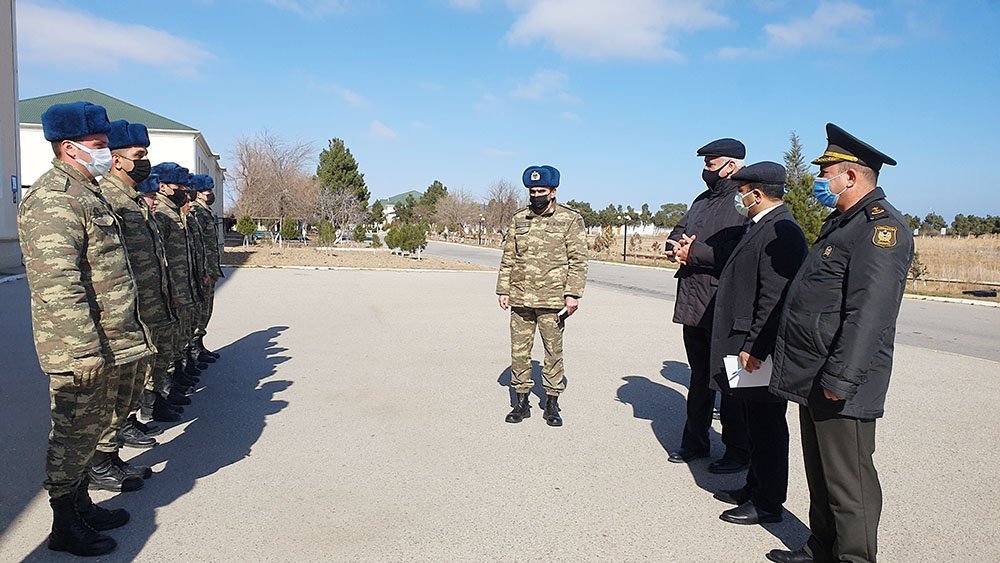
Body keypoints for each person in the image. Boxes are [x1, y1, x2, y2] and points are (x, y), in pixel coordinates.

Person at [765, 124, 913, 563]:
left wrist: (841, 378)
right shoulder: (843, 223)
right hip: (816, 372)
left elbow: (870, 316)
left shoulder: (879, 230)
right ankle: (821, 549)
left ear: (851, 176)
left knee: (851, 484)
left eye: (826, 172)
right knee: (822, 473)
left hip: (840, 380)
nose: (820, 181)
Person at [18, 101, 154, 556]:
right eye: (97, 146)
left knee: (91, 428)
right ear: (69, 147)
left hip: (110, 339)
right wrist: (82, 350)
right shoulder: (55, 198)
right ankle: (63, 524)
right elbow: (57, 284)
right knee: (72, 433)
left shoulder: (88, 192)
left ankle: (80, 504)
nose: (105, 154)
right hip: (81, 347)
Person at [707, 162, 807, 526]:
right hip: (747, 345)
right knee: (754, 422)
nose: (738, 196)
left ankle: (768, 503)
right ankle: (754, 486)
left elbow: (777, 299)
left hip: (758, 348)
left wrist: (756, 346)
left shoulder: (782, 231)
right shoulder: (759, 225)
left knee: (768, 428)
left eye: (741, 190)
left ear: (757, 193)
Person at [665, 138, 752, 474]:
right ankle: (695, 442)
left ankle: (737, 450)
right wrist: (674, 246)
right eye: (704, 164)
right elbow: (678, 231)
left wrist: (694, 253)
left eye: (711, 164)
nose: (706, 170)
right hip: (693, 302)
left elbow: (741, 253)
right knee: (699, 378)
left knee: (728, 382)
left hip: (722, 303)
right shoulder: (701, 201)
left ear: (731, 166)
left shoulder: (742, 202)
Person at [99, 121, 177, 473]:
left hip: (145, 306)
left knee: (131, 384)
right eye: (139, 156)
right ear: (117, 160)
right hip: (124, 314)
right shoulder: (109, 200)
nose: (144, 162)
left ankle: (110, 453)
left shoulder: (132, 200)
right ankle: (102, 461)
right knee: (114, 393)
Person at [496, 165, 588, 426]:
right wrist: (503, 289)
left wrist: (573, 294)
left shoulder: (570, 219)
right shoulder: (519, 218)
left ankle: (551, 403)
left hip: (553, 300)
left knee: (553, 352)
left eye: (541, 191)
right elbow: (509, 256)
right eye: (532, 190)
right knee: (519, 351)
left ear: (553, 191)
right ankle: (521, 402)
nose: (535, 195)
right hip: (521, 297)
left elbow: (578, 260)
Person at [151, 163, 200, 415]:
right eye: (180, 186)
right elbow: (160, 257)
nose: (185, 191)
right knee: (162, 347)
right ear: (163, 186)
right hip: (167, 292)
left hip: (180, 287)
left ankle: (170, 383)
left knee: (175, 340)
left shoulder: (174, 212)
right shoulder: (162, 214)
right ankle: (158, 396)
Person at [190, 174, 224, 362]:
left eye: (210, 190)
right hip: (204, 270)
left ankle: (200, 345)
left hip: (210, 268)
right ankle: (194, 348)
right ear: (198, 193)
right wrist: (204, 271)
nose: (210, 194)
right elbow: (199, 245)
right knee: (201, 309)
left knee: (207, 309)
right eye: (206, 191)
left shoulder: (206, 211)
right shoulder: (197, 212)